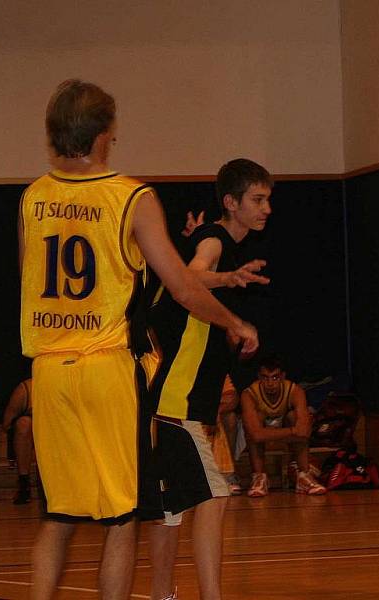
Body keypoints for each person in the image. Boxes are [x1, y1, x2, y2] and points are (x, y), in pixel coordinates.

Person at [19, 79, 258, 600]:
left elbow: (29, 276)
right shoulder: (132, 196)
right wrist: (233, 322)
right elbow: (183, 287)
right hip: (107, 367)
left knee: (57, 516)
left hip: (47, 371)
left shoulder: (33, 197)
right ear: (105, 134)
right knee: (121, 517)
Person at [138, 158, 272, 600]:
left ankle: (163, 596)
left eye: (268, 199)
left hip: (171, 401)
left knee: (171, 509)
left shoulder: (209, 237)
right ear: (230, 203)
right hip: (177, 401)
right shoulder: (214, 240)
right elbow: (190, 280)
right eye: (257, 199)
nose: (266, 208)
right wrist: (228, 281)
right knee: (215, 496)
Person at [240, 355, 325, 497]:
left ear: (283, 376)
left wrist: (271, 433)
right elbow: (256, 434)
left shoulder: (295, 390)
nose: (270, 383)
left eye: (275, 377)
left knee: (294, 417)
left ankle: (304, 476)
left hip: (283, 424)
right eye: (265, 378)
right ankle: (259, 477)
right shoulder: (249, 394)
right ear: (259, 377)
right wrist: (291, 431)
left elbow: (304, 431)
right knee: (254, 424)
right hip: (272, 429)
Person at [2, 378, 33, 504]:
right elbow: (7, 423)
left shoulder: (71, 383)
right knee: (23, 424)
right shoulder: (26, 389)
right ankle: (24, 482)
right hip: (38, 439)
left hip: (62, 433)